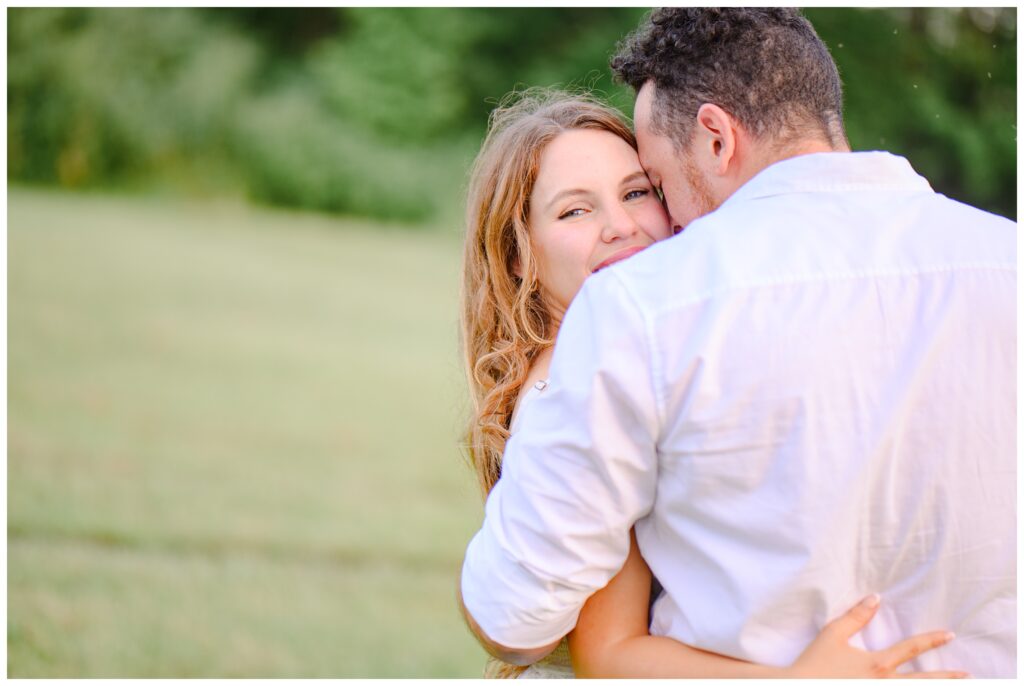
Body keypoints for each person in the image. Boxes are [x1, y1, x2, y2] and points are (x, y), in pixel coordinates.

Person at [460, 7, 1016, 680]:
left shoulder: (650, 309)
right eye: (578, 208)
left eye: (651, 188)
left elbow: (513, 618)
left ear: (717, 139)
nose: (637, 227)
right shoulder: (1005, 260)